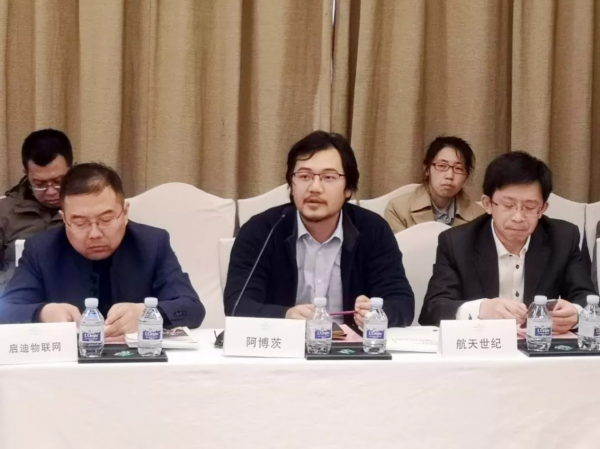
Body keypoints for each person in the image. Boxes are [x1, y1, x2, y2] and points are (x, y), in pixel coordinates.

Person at [224, 131, 414, 328]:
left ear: (348, 189)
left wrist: (377, 314)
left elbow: (402, 303)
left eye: (328, 177)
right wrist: (285, 316)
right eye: (304, 176)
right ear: (291, 184)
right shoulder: (262, 231)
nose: (314, 187)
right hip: (285, 344)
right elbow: (237, 305)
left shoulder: (373, 230)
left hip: (353, 345)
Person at [0, 163, 205, 335]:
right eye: (80, 223)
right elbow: (6, 310)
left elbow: (192, 308)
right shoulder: (40, 250)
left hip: (139, 363)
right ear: (64, 219)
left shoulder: (152, 243)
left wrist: (148, 314)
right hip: (67, 365)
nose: (94, 234)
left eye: (106, 219)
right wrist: (43, 313)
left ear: (125, 213)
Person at [419, 151, 595, 332]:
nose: (518, 217)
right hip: (484, 344)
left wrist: (576, 314)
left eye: (529, 207)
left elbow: (586, 298)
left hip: (538, 344)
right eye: (508, 205)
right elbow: (432, 310)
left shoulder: (563, 238)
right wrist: (481, 309)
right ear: (488, 204)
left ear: (542, 208)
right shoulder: (457, 243)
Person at [0, 129, 73, 289]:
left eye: (58, 181)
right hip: (15, 296)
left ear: (71, 168)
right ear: (26, 174)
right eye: (39, 184)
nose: (51, 191)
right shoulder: (4, 212)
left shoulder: (92, 207)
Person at [385, 136, 484, 233]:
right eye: (441, 166)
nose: (449, 176)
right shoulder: (397, 209)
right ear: (427, 169)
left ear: (466, 176)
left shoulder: (481, 216)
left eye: (458, 168)